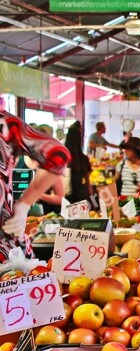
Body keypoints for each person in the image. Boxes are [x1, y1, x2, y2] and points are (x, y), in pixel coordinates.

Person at [0, 111, 71, 261]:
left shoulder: (5, 125)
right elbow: (58, 154)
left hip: (6, 250)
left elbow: (57, 154)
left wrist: (24, 204)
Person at [64, 121, 92, 204]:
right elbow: (88, 182)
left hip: (66, 198)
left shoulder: (62, 158)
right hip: (82, 197)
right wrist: (93, 201)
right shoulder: (83, 158)